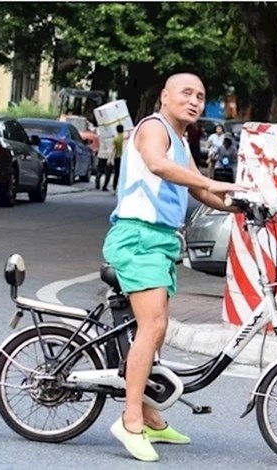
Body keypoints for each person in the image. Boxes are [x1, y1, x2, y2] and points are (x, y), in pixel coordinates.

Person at [102, 72, 248, 462]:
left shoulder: (182, 140)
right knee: (153, 327)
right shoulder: (153, 128)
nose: (195, 101)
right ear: (164, 96)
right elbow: (158, 166)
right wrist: (219, 187)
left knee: (157, 332)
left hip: (161, 242)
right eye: (186, 93)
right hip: (137, 237)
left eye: (201, 96)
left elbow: (199, 188)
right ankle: (130, 419)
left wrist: (241, 205)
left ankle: (150, 415)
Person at [102, 124, 124, 191]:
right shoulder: (125, 138)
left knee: (116, 173)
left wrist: (109, 159)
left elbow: (113, 149)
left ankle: (115, 187)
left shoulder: (116, 139)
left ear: (117, 130)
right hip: (124, 157)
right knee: (123, 172)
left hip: (117, 157)